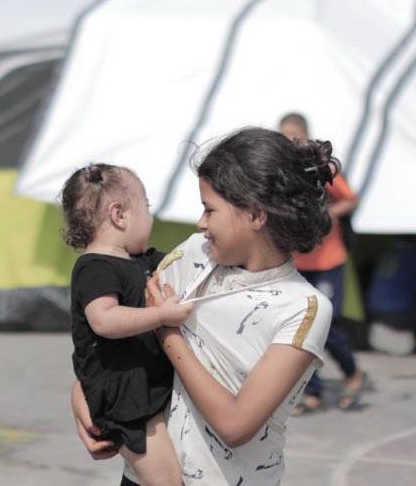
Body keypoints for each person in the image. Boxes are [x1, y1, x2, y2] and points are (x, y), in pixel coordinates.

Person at [72, 127, 335, 485]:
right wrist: (83, 397)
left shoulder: (303, 308)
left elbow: (235, 425)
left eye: (209, 209)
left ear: (256, 215)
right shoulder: (194, 254)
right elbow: (116, 335)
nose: (201, 223)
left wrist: (168, 334)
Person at [64, 163, 192, 486]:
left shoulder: (139, 261)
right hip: (125, 399)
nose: (151, 218)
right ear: (119, 214)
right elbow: (104, 319)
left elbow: (180, 259)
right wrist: (161, 316)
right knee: (166, 480)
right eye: (146, 208)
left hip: (143, 387)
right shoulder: (93, 267)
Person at [277, 113, 367, 413]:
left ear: (305, 135)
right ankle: (312, 392)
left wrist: (329, 214)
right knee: (303, 325)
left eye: (294, 135)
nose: (290, 140)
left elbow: (349, 199)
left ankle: (352, 371)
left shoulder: (321, 168)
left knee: (327, 324)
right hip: (297, 260)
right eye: (284, 135)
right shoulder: (281, 173)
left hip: (328, 260)